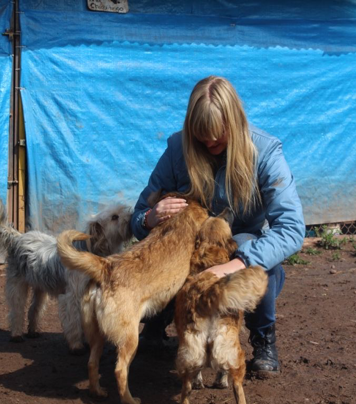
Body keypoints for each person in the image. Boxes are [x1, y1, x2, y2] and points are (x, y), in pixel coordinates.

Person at [130, 75, 305, 378]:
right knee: (154, 251)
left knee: (261, 265)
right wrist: (150, 217)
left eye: (217, 134)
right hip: (187, 247)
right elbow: (138, 216)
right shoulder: (177, 149)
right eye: (201, 135)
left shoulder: (264, 152)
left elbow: (291, 229)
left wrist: (235, 264)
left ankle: (263, 339)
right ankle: (156, 324)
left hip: (238, 245)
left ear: (234, 122)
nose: (209, 142)